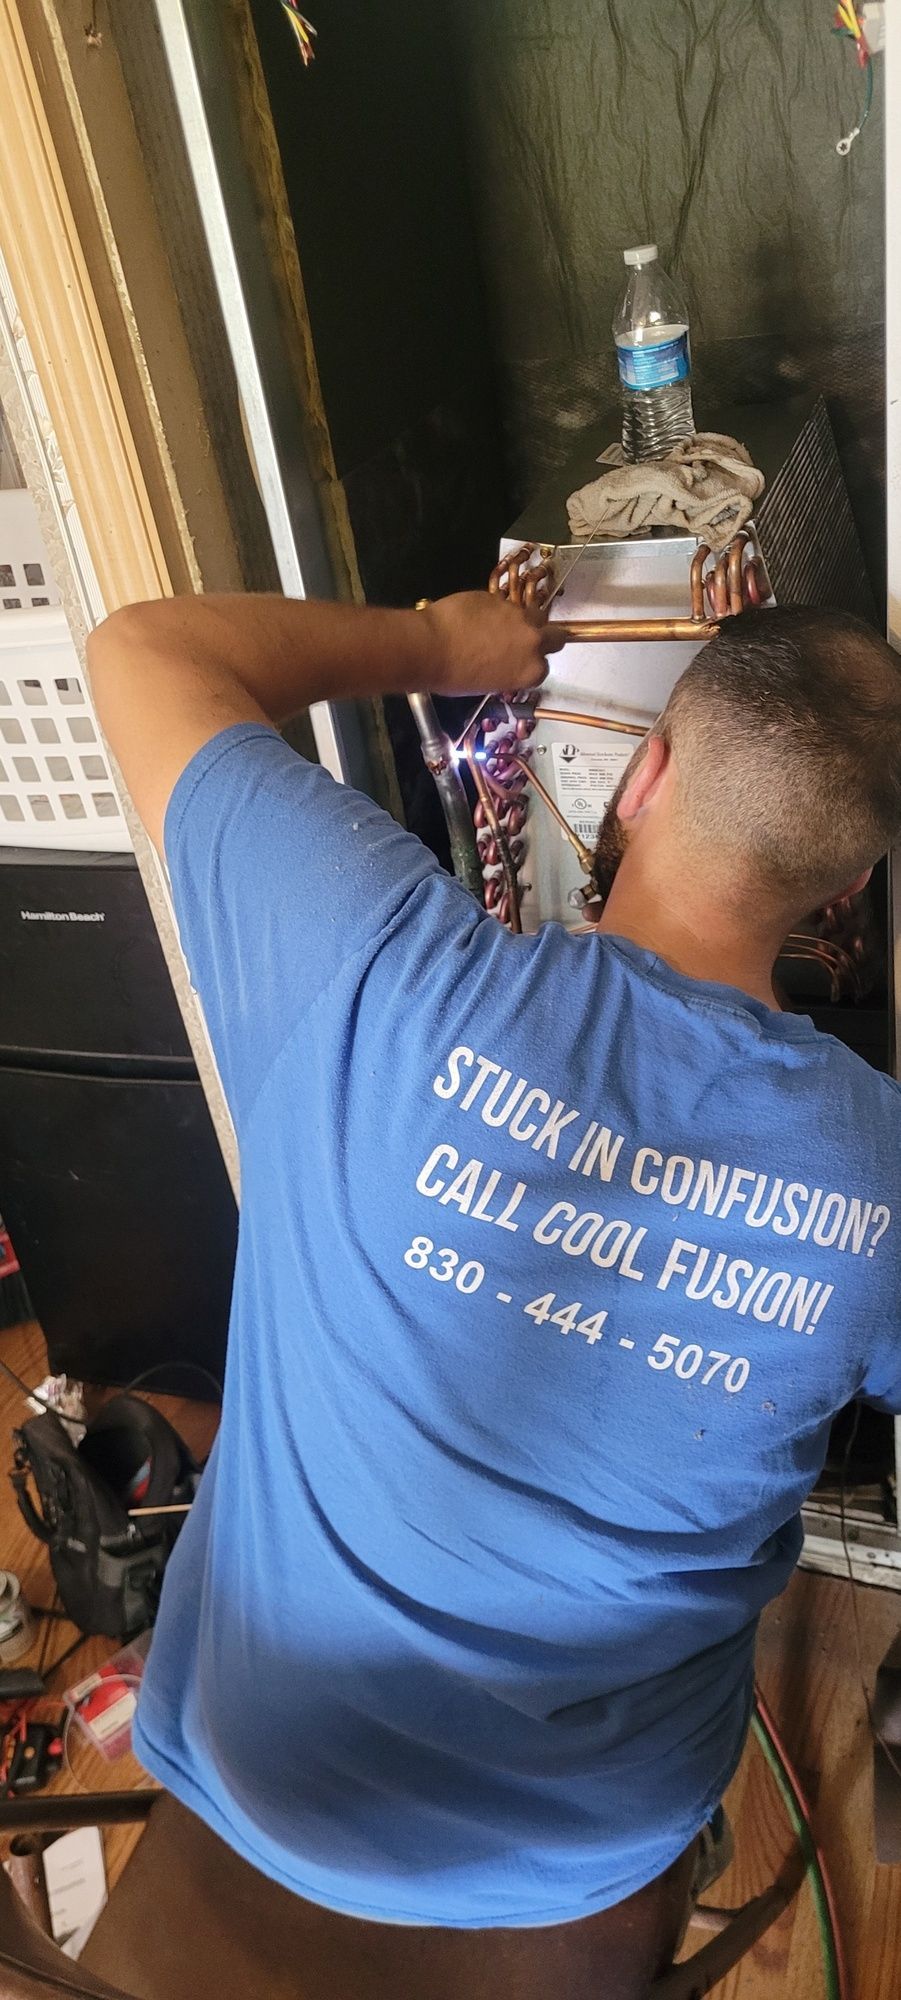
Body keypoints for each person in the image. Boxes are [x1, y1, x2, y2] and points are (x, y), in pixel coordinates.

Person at [88, 592, 901, 1999]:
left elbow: (139, 652)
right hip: (591, 1845)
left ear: (641, 776)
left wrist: (449, 643)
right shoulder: (878, 1173)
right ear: (841, 900)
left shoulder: (378, 972)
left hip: (272, 1775)